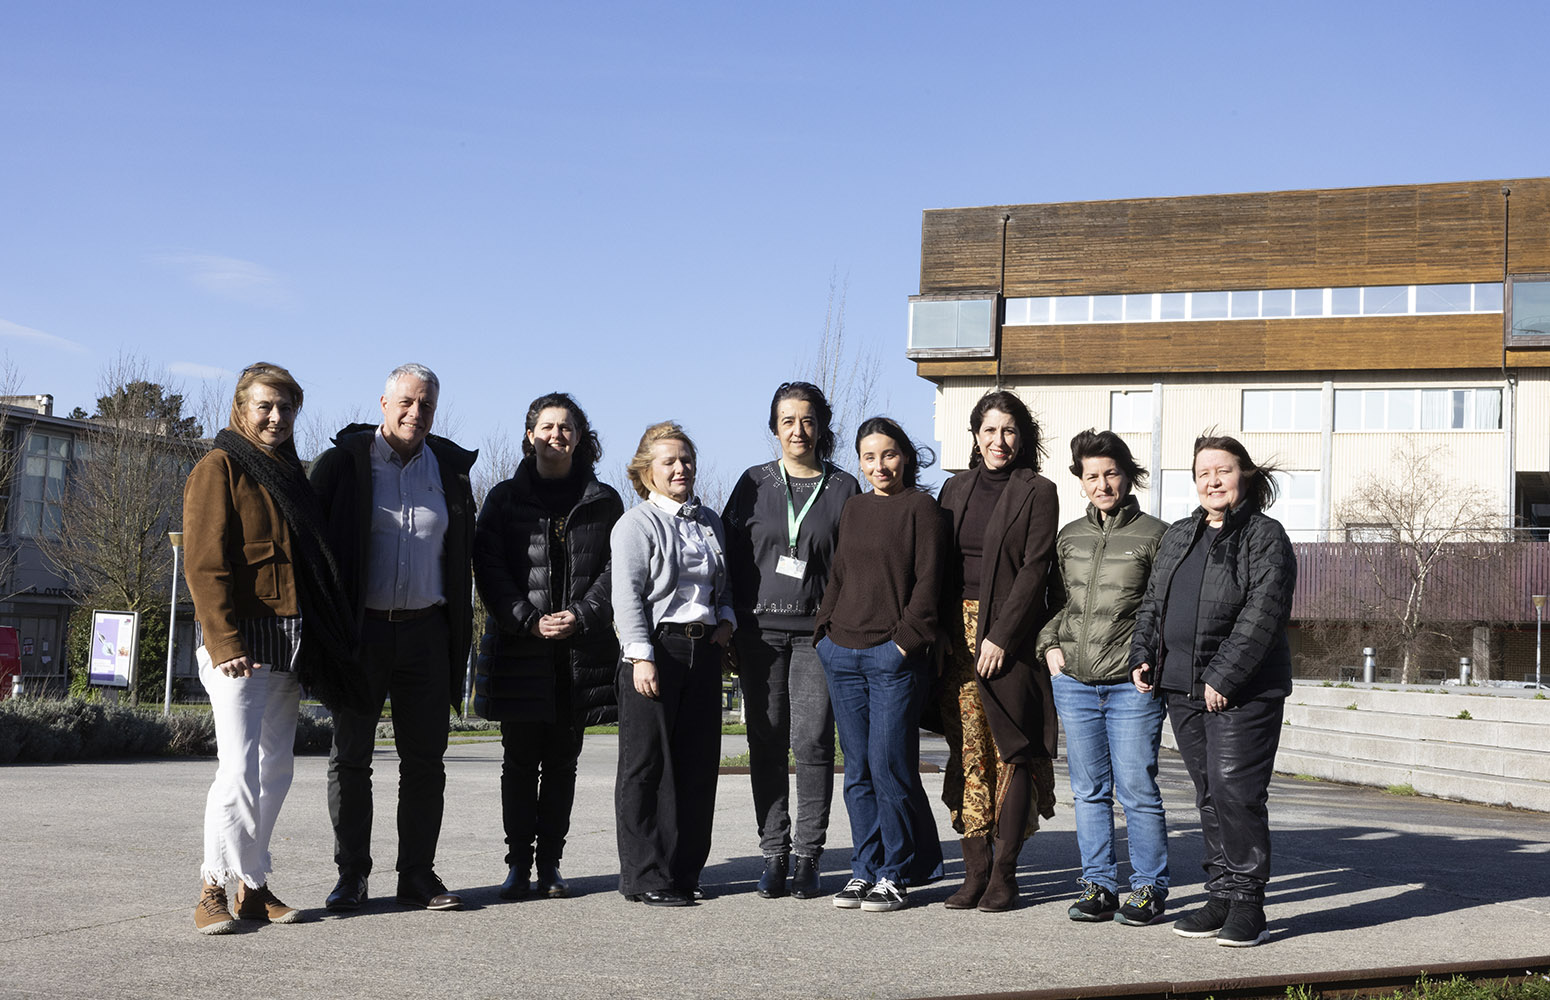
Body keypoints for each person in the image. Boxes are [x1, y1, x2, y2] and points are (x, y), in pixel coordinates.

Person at [183, 362, 364, 934]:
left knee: (275, 771)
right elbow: (204, 564)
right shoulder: (219, 467)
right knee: (237, 771)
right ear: (241, 408)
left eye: (286, 407)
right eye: (265, 406)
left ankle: (253, 886)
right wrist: (223, 641)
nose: (276, 417)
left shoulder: (291, 475)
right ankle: (214, 885)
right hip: (238, 645)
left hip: (288, 643)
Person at [311, 363, 478, 913]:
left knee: (425, 761)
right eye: (406, 402)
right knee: (351, 757)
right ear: (383, 404)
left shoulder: (449, 471)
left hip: (427, 633)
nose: (416, 413)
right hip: (362, 633)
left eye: (426, 404)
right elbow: (311, 543)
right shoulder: (344, 464)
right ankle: (351, 875)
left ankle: (417, 875)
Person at [1129, 434, 1297, 948]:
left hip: (1242, 692)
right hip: (1181, 687)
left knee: (1236, 793)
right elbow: (1154, 602)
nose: (1213, 480)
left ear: (1244, 475)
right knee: (1208, 794)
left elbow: (1263, 614)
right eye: (1203, 472)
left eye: (1223, 470)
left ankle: (1248, 903)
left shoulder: (1265, 536)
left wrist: (1222, 677)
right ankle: (1221, 895)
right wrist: (1143, 653)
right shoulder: (1181, 534)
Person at [472, 393, 624, 900]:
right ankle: (518, 864)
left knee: (562, 764)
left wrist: (580, 615)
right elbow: (488, 567)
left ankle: (551, 864)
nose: (556, 435)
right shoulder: (503, 499)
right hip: (520, 650)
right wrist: (527, 620)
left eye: (566, 427)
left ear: (579, 438)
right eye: (547, 426)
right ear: (530, 435)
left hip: (577, 655)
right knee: (518, 764)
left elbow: (615, 571)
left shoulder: (604, 501)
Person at [722, 382, 859, 900]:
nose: (797, 430)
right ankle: (773, 853)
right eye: (787, 421)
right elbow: (729, 557)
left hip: (816, 635)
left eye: (807, 420)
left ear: (821, 426)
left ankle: (808, 856)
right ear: (774, 428)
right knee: (766, 740)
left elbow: (853, 564)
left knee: (813, 742)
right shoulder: (753, 482)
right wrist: (728, 621)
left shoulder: (844, 486)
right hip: (758, 634)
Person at [1036, 429, 1170, 925]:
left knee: (1137, 789)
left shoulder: (1157, 535)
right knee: (1089, 791)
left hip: (1131, 684)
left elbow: (1163, 609)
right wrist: (1049, 646)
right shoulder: (1069, 536)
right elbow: (1056, 603)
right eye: (1092, 476)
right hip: (1074, 681)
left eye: (1111, 473)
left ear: (1127, 475)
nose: (1102, 484)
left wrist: (1150, 659)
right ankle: (1099, 885)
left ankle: (1149, 887)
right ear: (1081, 481)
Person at [935, 391, 1060, 912]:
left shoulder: (1039, 491)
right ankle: (975, 871)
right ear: (975, 435)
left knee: (1011, 749)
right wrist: (938, 630)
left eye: (1009, 430)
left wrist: (1002, 636)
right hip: (955, 640)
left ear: (1022, 436)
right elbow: (937, 565)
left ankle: (1005, 875)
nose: (999, 440)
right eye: (989, 430)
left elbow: (1035, 570)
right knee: (968, 751)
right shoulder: (954, 488)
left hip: (1009, 637)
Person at [815, 416, 945, 913]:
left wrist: (904, 644)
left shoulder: (922, 509)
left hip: (892, 657)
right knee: (858, 771)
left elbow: (929, 583)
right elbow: (839, 573)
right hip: (841, 652)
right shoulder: (854, 507)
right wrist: (824, 634)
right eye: (869, 457)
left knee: (890, 766)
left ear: (905, 456)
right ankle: (863, 869)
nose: (879, 465)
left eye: (888, 454)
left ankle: (895, 873)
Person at [611, 421, 735, 907]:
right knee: (646, 767)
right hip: (655, 651)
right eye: (669, 461)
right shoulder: (636, 524)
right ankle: (645, 875)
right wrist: (640, 655)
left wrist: (726, 620)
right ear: (648, 472)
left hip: (703, 652)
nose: (680, 468)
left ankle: (684, 871)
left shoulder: (710, 521)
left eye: (686, 459)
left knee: (697, 766)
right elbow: (627, 597)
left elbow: (722, 585)